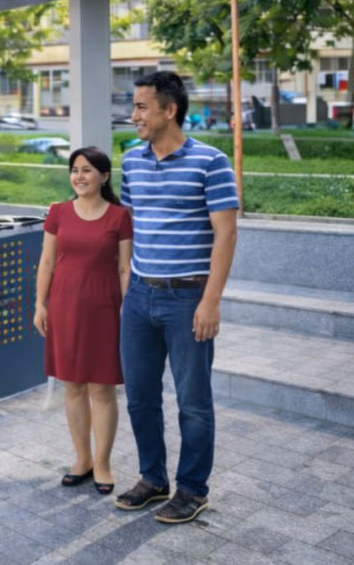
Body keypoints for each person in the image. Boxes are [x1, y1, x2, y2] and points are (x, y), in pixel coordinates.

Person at [115, 71, 238, 524]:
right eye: (134, 106)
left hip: (188, 299)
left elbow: (226, 234)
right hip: (140, 296)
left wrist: (211, 300)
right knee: (140, 395)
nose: (134, 116)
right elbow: (131, 224)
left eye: (143, 107)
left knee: (193, 401)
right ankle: (153, 478)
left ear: (170, 110)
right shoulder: (131, 160)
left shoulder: (211, 162)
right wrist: (127, 281)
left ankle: (192, 489)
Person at [33, 147, 133, 496]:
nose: (79, 176)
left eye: (87, 170)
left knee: (101, 388)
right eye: (74, 170)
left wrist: (126, 308)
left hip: (105, 309)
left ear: (104, 176)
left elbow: (124, 267)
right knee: (72, 385)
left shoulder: (120, 216)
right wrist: (39, 305)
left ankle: (103, 463)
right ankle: (82, 459)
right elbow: (46, 262)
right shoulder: (58, 212)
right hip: (64, 307)